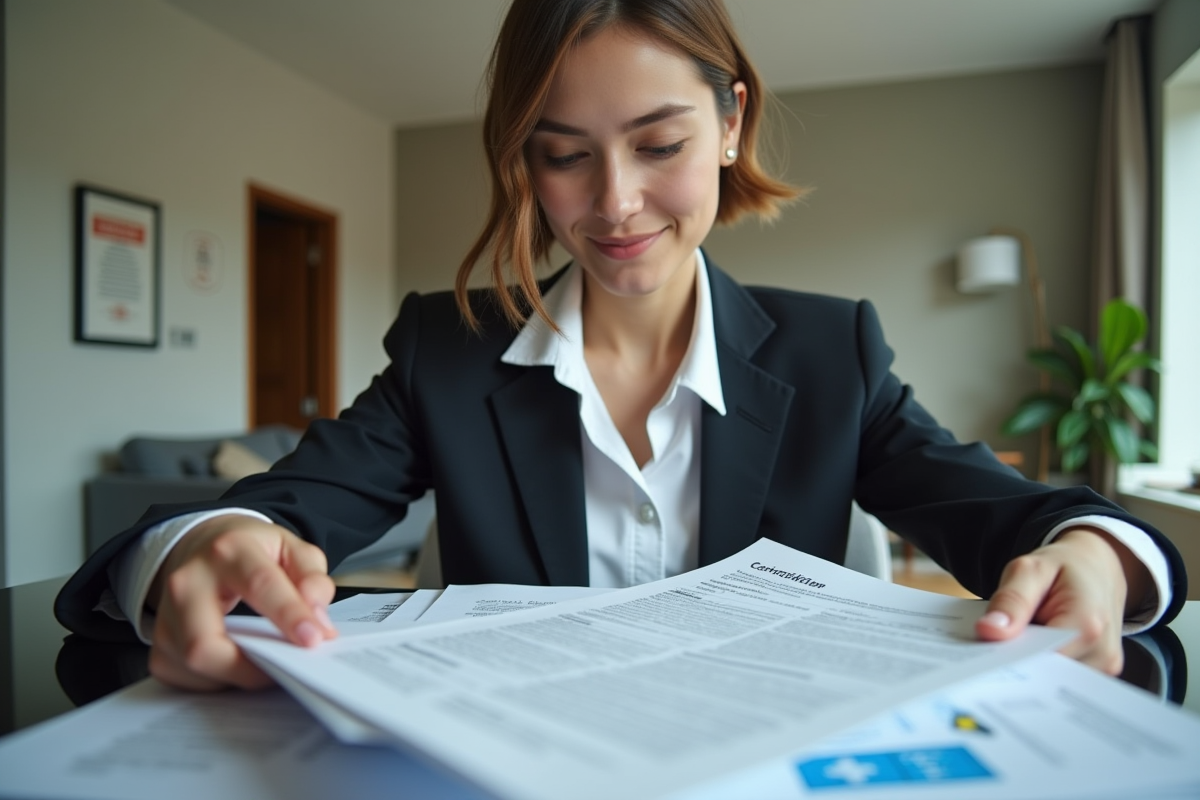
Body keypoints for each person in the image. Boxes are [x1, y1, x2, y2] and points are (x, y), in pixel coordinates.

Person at [56, 0, 1185, 692]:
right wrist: (208, 544)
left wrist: (1099, 555)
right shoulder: (447, 350)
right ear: (519, 160)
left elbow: (1011, 515)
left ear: (731, 120)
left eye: (660, 143)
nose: (615, 203)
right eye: (562, 156)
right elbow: (285, 509)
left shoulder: (831, 351)